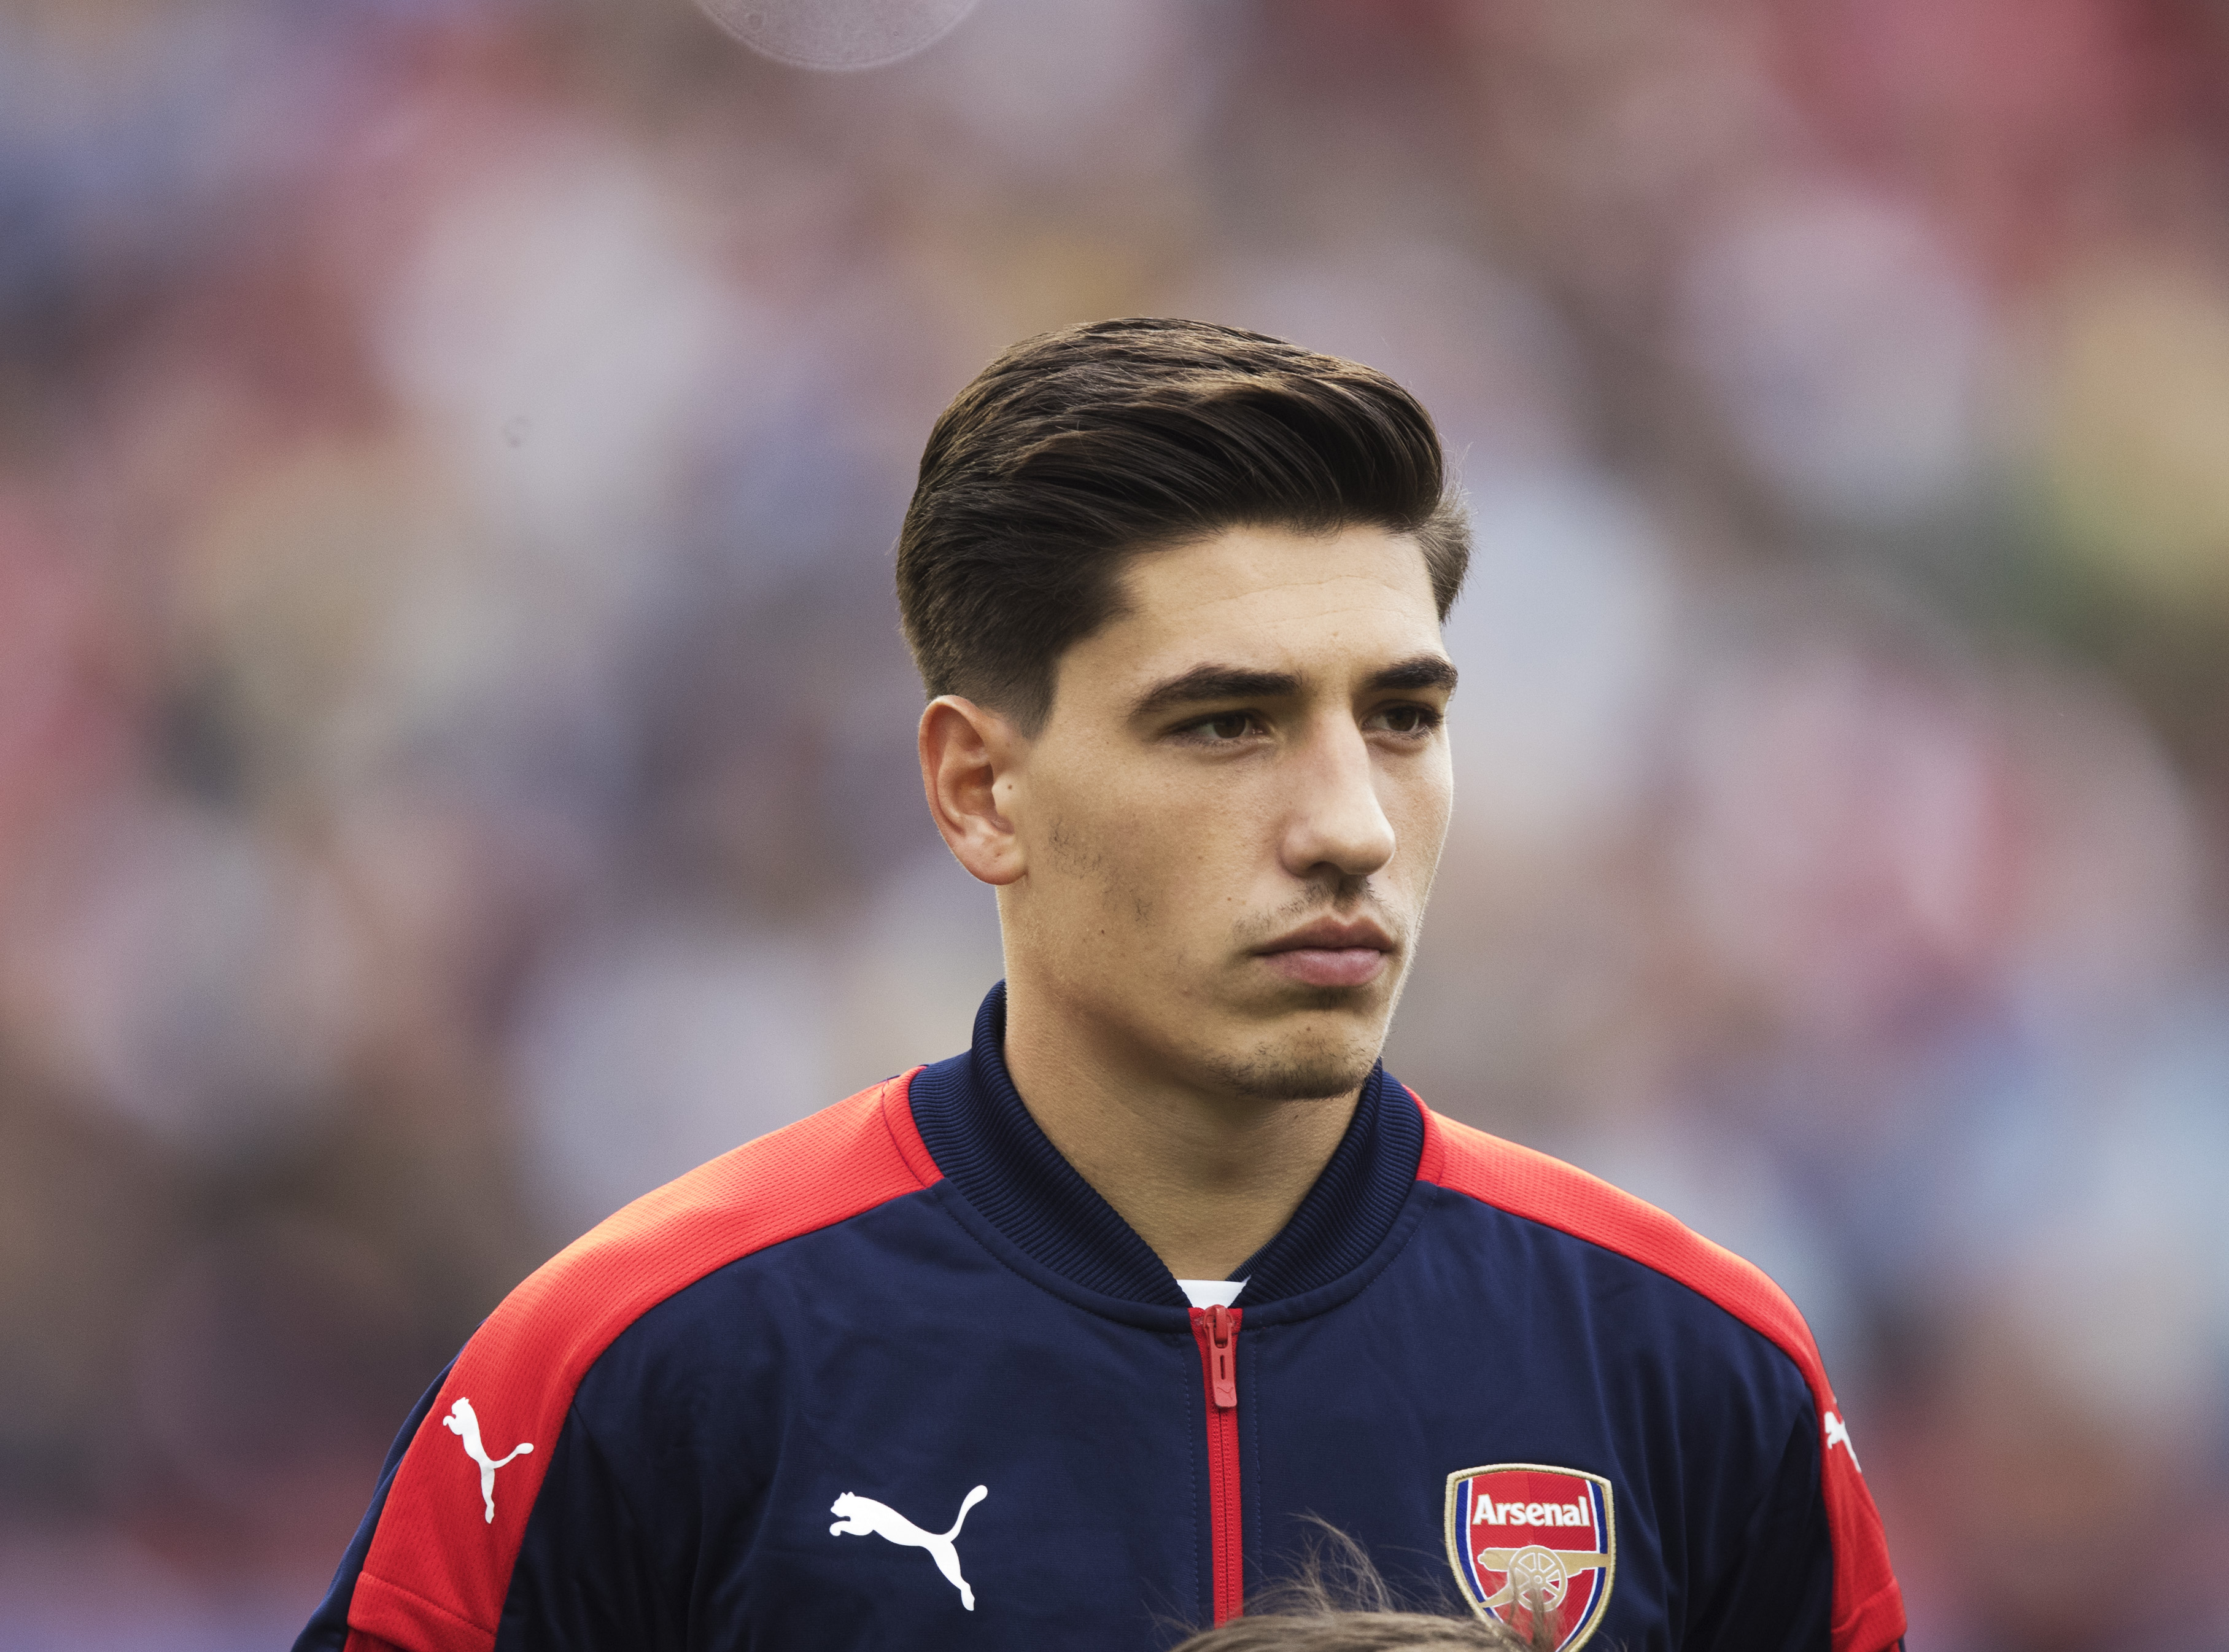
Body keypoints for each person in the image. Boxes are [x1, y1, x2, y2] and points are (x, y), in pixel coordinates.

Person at [296, 318, 1904, 1652]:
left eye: (1403, 717)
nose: (1349, 822)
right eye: (1227, 721)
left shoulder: (1701, 1373)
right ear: (981, 790)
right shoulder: (632, 1367)